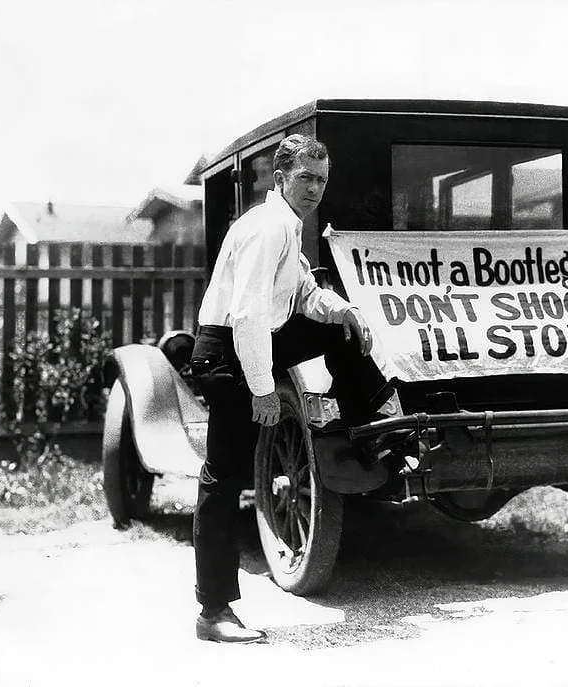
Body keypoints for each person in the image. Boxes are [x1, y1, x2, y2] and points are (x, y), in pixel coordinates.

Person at [190, 134, 395, 643]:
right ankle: (213, 613)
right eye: (305, 178)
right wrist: (262, 389)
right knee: (222, 479)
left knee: (337, 326)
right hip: (227, 353)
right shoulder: (266, 228)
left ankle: (376, 420)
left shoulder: (288, 224)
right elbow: (248, 313)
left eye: (322, 180)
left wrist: (345, 309)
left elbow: (302, 294)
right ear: (280, 177)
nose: (315, 189)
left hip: (256, 340)